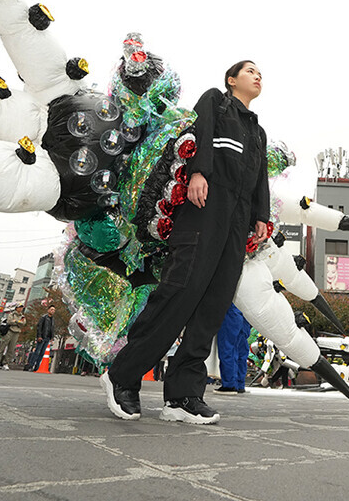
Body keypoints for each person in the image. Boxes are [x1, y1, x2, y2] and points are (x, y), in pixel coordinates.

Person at [102, 60, 269, 425]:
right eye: (250, 70)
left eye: (261, 73)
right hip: (204, 207)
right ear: (231, 79)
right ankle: (123, 375)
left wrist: (261, 215)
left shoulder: (257, 131)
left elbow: (260, 179)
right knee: (179, 293)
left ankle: (182, 396)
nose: (258, 76)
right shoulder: (216, 102)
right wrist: (197, 172)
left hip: (237, 221)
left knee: (213, 305)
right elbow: (201, 135)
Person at [214, 304, 251, 395]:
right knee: (241, 352)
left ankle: (229, 385)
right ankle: (239, 384)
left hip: (231, 313)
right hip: (244, 316)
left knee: (227, 349)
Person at [0, 303, 26, 370]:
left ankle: (6, 363)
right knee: (2, 347)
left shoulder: (22, 316)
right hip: (9, 331)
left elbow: (23, 324)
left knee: (11, 349)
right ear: (16, 308)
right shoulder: (11, 314)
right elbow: (9, 322)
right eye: (19, 307)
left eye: (21, 307)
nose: (20, 309)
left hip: (16, 333)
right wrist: (18, 322)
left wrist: (16, 321)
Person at [27, 305, 56, 371]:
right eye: (51, 309)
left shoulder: (53, 319)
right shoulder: (44, 317)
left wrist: (52, 337)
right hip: (42, 337)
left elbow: (52, 329)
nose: (53, 311)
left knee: (42, 353)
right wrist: (39, 336)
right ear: (48, 310)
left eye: (54, 310)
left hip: (48, 338)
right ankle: (31, 365)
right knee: (37, 352)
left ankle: (37, 367)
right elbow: (39, 327)